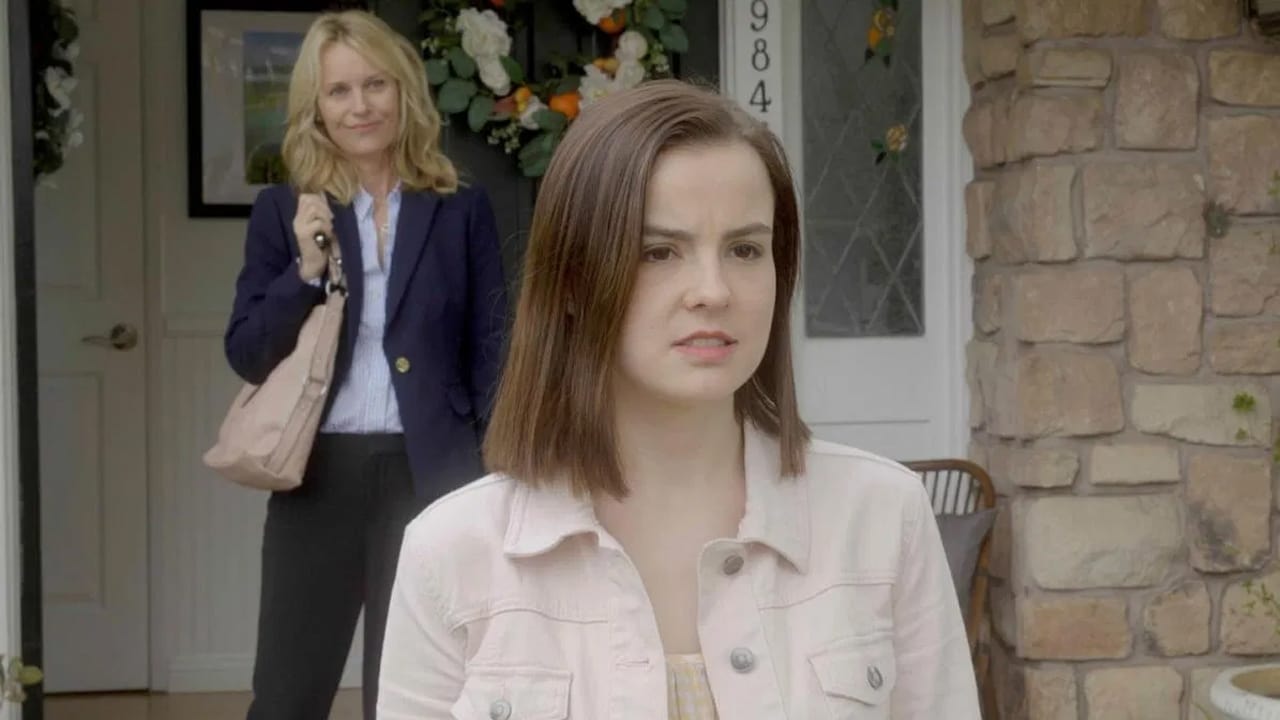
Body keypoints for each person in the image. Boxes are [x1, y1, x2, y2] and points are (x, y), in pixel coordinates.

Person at [378, 79, 979, 718]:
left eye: (745, 249)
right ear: (573, 281)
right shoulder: (453, 552)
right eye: (659, 252)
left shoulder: (883, 516)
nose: (713, 291)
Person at [221, 10, 506, 719]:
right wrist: (304, 271)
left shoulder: (459, 207)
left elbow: (491, 348)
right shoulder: (285, 209)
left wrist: (494, 472)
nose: (360, 106)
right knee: (287, 696)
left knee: (412, 698)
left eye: (375, 84)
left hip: (430, 476)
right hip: (319, 476)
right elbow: (248, 351)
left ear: (403, 90)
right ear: (315, 106)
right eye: (339, 91)